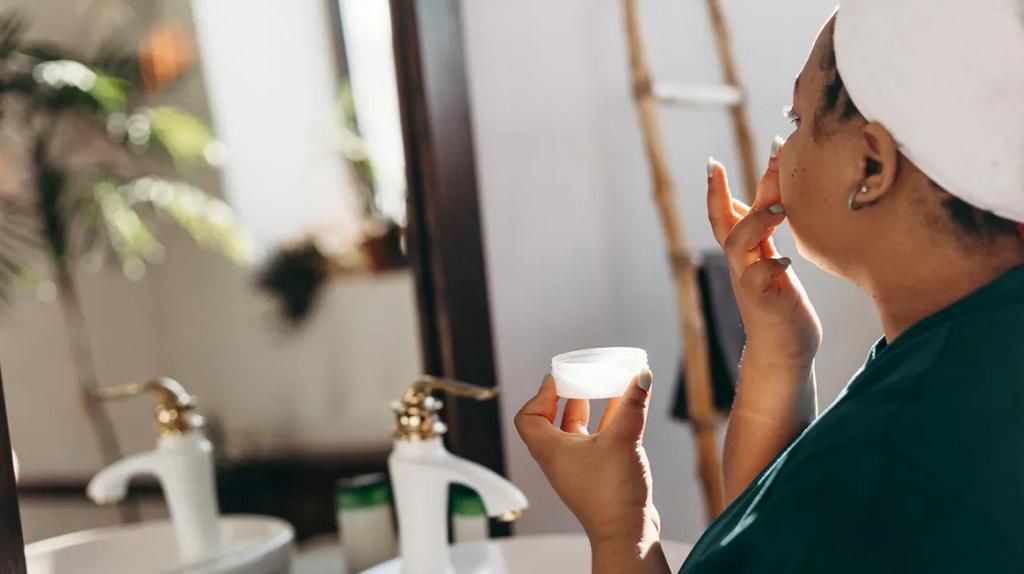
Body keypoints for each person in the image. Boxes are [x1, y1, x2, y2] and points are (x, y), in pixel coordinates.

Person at [515, 1, 1024, 572]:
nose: (779, 158)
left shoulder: (889, 462)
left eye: (797, 120)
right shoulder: (975, 341)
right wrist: (782, 354)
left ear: (871, 168)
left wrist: (620, 528)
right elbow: (769, 526)